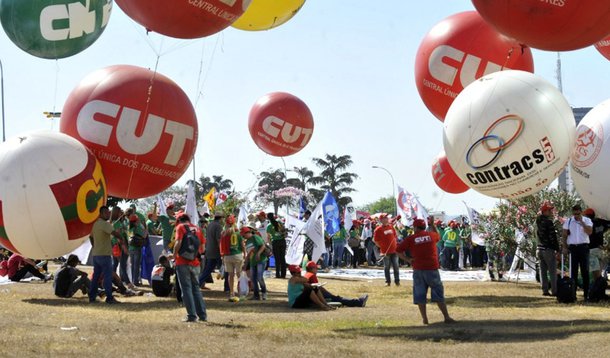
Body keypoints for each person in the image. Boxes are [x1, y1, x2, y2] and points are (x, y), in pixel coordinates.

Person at [397, 218, 455, 325]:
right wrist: (432, 224)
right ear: (424, 227)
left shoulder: (411, 238)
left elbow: (398, 250)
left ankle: (425, 319)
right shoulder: (431, 236)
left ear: (415, 227)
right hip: (432, 268)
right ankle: (446, 317)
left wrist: (408, 260)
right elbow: (438, 236)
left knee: (420, 295)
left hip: (418, 269)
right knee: (438, 293)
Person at [174, 213, 207, 322]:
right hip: (195, 263)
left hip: (182, 262)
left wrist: (174, 256)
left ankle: (192, 316)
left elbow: (178, 242)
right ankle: (202, 315)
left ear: (179, 220)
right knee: (196, 289)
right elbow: (202, 247)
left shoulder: (180, 227)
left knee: (186, 289)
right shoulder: (197, 228)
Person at [89, 206, 122, 304]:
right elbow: (115, 233)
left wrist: (95, 247)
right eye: (107, 213)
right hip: (105, 255)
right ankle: (109, 298)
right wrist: (122, 238)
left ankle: (92, 297)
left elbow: (90, 237)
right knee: (107, 276)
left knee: (96, 277)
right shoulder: (104, 224)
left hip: (96, 255)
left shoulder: (95, 224)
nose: (109, 214)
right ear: (102, 213)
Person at [562, 204, 593, 301]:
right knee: (573, 272)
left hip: (583, 247)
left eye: (578, 213)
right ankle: (573, 294)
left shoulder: (587, 220)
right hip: (573, 248)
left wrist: (582, 222)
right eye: (575, 214)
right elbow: (564, 235)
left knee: (585, 271)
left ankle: (586, 295)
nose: (576, 216)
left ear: (581, 212)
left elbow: (589, 232)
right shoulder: (569, 221)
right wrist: (565, 247)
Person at [303, 261, 368, 307]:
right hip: (314, 296)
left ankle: (358, 301)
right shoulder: (311, 275)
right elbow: (317, 288)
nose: (317, 270)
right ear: (312, 269)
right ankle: (358, 302)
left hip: (308, 296)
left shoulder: (306, 275)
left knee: (336, 298)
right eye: (316, 268)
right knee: (338, 298)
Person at [536, 203, 559, 297]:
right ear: (544, 211)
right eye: (549, 210)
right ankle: (555, 291)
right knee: (552, 271)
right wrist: (557, 248)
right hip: (548, 249)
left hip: (539, 249)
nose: (551, 212)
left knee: (543, 271)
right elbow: (552, 236)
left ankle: (545, 290)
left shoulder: (536, 222)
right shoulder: (548, 222)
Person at [221, 223, 246, 302]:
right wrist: (245, 253)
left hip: (227, 256)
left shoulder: (223, 234)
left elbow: (221, 245)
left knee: (230, 275)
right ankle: (241, 292)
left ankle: (232, 292)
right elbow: (242, 245)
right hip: (237, 255)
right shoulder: (238, 234)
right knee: (239, 274)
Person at [373, 213, 400, 286]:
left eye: (387, 218)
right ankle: (387, 282)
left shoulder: (391, 227)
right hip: (385, 252)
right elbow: (375, 241)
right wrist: (381, 247)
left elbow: (395, 236)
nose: (387, 219)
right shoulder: (378, 229)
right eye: (385, 218)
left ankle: (397, 281)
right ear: (381, 220)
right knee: (387, 267)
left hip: (394, 250)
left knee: (396, 267)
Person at [583, 208, 610, 280]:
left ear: (587, 215)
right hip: (600, 249)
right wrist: (602, 232)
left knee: (595, 271)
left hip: (592, 250)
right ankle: (600, 286)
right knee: (600, 270)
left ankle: (598, 287)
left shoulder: (588, 223)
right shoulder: (601, 222)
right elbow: (608, 225)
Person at [243, 226, 268, 300]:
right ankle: (256, 295)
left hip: (261, 260)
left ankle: (264, 293)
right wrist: (245, 264)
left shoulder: (255, 237)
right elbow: (248, 253)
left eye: (243, 234)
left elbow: (263, 245)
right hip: (252, 262)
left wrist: (259, 253)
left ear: (247, 233)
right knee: (253, 279)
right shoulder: (247, 241)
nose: (243, 236)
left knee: (259, 278)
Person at [199, 212, 223, 288]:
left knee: (208, 269)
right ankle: (227, 287)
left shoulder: (210, 225)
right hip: (217, 251)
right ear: (221, 218)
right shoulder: (218, 226)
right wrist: (222, 250)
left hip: (209, 250)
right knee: (225, 269)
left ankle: (199, 283)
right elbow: (218, 239)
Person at [128, 213, 147, 286]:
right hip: (137, 248)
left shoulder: (129, 228)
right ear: (136, 220)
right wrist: (145, 230)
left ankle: (132, 280)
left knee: (132, 265)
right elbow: (144, 236)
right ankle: (135, 281)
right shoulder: (138, 227)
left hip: (130, 248)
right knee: (137, 265)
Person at [267, 213, 287, 278]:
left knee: (277, 259)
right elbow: (284, 231)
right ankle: (283, 274)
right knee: (282, 258)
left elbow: (268, 237)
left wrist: (270, 245)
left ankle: (277, 274)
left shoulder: (269, 226)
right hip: (282, 241)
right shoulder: (279, 222)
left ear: (268, 218)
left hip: (275, 242)